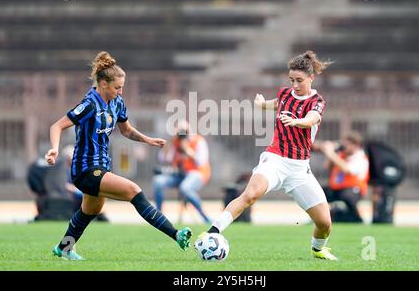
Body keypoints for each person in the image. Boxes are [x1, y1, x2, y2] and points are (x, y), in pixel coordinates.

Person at [45, 51, 192, 260]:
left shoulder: (117, 103)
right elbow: (57, 126)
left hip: (102, 166)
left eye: (122, 86)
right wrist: (54, 149)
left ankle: (64, 248)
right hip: (84, 169)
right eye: (117, 87)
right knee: (134, 191)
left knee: (91, 210)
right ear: (103, 84)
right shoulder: (89, 104)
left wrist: (148, 140)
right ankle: (176, 234)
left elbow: (127, 130)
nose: (121, 91)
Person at [196, 50, 338, 260]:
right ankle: (212, 233)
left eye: (299, 80)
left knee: (324, 224)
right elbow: (277, 104)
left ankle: (317, 249)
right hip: (275, 159)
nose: (295, 85)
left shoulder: (316, 101)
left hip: (299, 169)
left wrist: (298, 122)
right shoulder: (284, 94)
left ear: (311, 78)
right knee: (250, 195)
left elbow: (312, 119)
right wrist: (262, 104)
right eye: (291, 80)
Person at [152, 120, 211, 223]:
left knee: (185, 187)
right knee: (158, 181)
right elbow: (163, 159)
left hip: (197, 173)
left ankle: (205, 217)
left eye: (185, 132)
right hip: (180, 174)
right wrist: (169, 145)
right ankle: (159, 217)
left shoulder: (198, 141)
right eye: (180, 132)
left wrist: (187, 150)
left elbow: (201, 162)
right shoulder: (175, 142)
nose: (183, 135)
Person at [318, 131, 370, 223]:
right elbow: (327, 166)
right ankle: (320, 219)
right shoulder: (341, 155)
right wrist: (331, 151)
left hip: (353, 190)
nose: (345, 147)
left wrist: (331, 154)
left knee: (346, 195)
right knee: (319, 194)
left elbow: (347, 169)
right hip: (337, 188)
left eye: (347, 144)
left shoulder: (361, 158)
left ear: (355, 145)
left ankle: (356, 218)